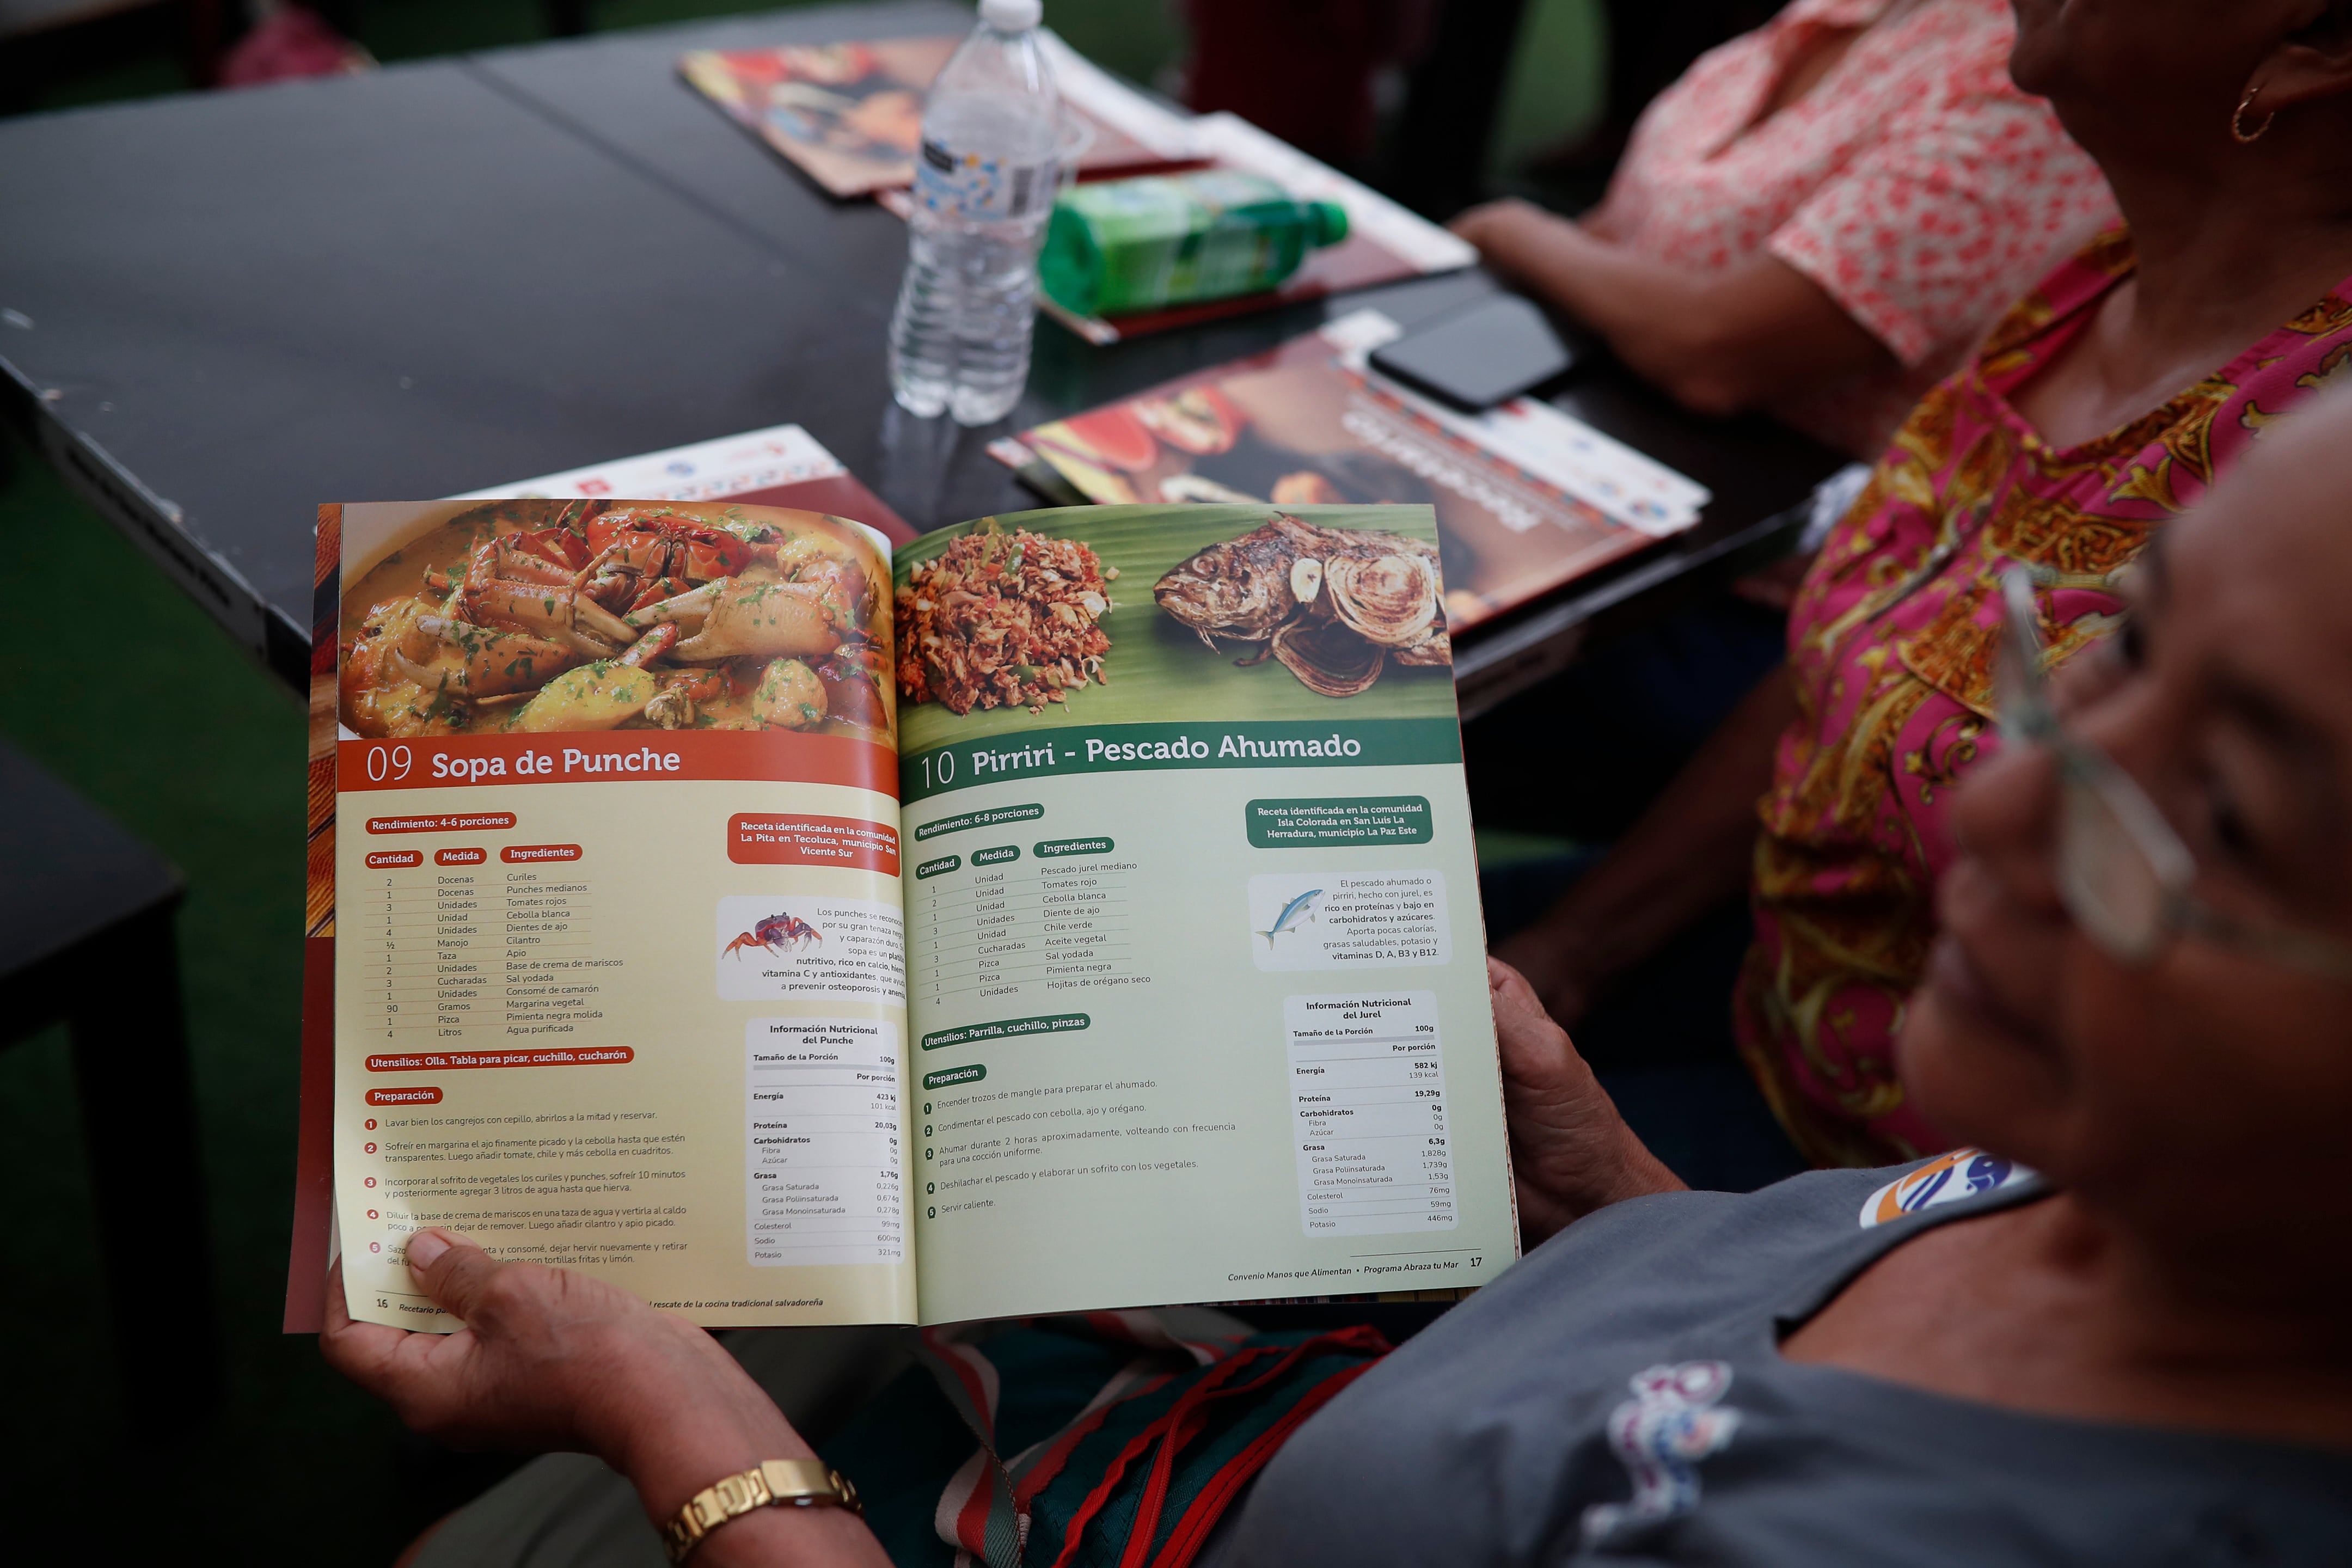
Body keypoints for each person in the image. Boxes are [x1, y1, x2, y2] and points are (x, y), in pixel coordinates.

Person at [324, 389, 2352, 1563]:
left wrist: (682, 1427)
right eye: (2116, 648)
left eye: (2216, 813)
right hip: (1280, 1392)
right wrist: (1607, 1195)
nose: (1994, 803)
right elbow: (1760, 1347)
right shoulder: (2118, 1200)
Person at [1493, 0, 2352, 1166]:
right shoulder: (2098, 284)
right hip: (1760, 982)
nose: (2005, 813)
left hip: (1913, 1180)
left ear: (2316, 48)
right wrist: (1581, 947)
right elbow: (1853, 659)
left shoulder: (2313, 478)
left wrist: (1641, 1215)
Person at [1451, 0, 2118, 460]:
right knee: (1391, 531)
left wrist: (1513, 231)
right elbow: (1646, 213)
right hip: (1563, 411)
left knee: (1401, 602)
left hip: (1716, 540)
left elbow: (1719, 354)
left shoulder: (2031, 77)